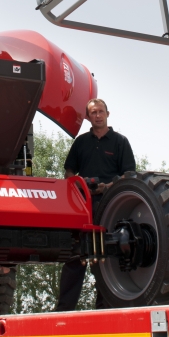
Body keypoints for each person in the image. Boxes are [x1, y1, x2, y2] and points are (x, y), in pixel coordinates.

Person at [56, 98, 136, 311]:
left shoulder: (120, 142)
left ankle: (104, 308)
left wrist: (108, 186)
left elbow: (129, 175)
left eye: (100, 111)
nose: (97, 115)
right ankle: (64, 309)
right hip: (81, 206)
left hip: (111, 205)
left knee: (107, 255)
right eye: (93, 112)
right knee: (75, 254)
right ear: (88, 117)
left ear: (108, 114)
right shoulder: (81, 142)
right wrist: (76, 187)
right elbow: (69, 171)